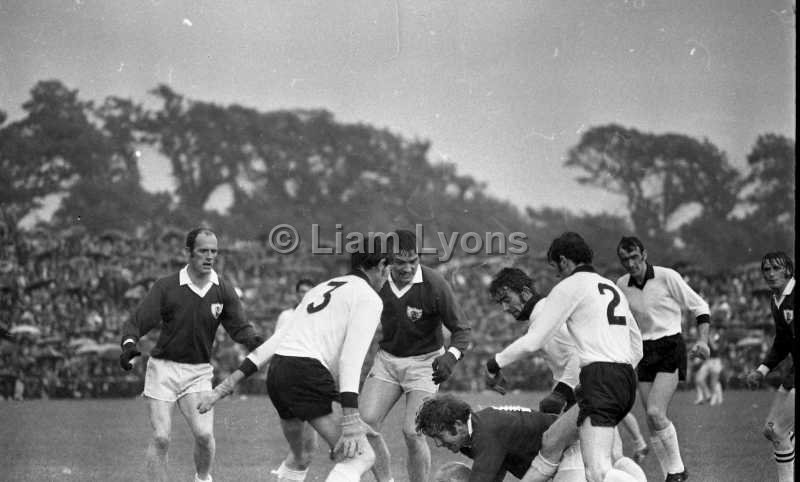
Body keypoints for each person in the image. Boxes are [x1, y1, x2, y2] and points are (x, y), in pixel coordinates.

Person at [196, 237, 394, 482]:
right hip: (306, 372)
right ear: (382, 265)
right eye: (390, 268)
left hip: (279, 373)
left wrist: (225, 386)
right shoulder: (369, 298)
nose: (389, 276)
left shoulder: (320, 288)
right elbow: (349, 361)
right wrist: (351, 418)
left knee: (302, 455)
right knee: (360, 457)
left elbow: (276, 341)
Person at [485, 232, 644, 482]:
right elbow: (637, 346)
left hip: (599, 379)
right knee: (579, 450)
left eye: (555, 268)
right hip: (621, 378)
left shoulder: (566, 290)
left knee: (597, 471)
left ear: (563, 260)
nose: (556, 275)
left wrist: (494, 364)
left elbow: (538, 343)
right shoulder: (610, 287)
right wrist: (616, 375)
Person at [118, 227, 265, 482]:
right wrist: (129, 345)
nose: (210, 256)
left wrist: (255, 341)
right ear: (188, 252)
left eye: (214, 251)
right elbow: (139, 321)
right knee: (161, 438)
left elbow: (240, 327)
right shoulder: (166, 286)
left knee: (204, 436)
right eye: (203, 251)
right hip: (163, 369)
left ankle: (202, 479)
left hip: (198, 372)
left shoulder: (222, 289)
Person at [360, 229, 472, 482]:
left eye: (413, 261)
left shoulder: (434, 283)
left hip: (425, 364)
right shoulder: (377, 281)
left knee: (413, 431)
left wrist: (451, 357)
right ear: (387, 260)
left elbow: (462, 329)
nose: (408, 268)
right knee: (365, 424)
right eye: (400, 262)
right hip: (387, 360)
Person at [616, 236, 711, 482]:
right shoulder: (621, 284)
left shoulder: (667, 276)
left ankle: (677, 470)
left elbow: (700, 307)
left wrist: (703, 340)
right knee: (651, 420)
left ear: (644, 255)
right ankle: (668, 474)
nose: (631, 264)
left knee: (656, 411)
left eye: (634, 257)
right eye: (625, 259)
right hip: (643, 350)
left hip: (670, 345)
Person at [416, 394, 645, 482]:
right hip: (555, 459)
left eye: (439, 436)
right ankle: (622, 469)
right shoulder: (472, 433)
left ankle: (626, 474)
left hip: (569, 449)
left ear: (458, 425)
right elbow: (497, 468)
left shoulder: (485, 434)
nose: (438, 444)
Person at [745, 251, 795, 482]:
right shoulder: (777, 299)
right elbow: (783, 342)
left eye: (776, 268)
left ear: (788, 270)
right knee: (771, 429)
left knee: (779, 431)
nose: (771, 273)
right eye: (767, 269)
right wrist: (761, 370)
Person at [269, 277, 318, 478]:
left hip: (312, 378)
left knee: (308, 444)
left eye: (309, 291)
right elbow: (276, 344)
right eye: (301, 291)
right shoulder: (286, 316)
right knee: (305, 443)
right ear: (296, 294)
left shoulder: (320, 316)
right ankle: (287, 473)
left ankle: (285, 473)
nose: (305, 295)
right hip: (290, 378)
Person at [693, 327, 724, 406]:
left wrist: (710, 339)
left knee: (713, 382)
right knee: (699, 379)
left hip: (715, 362)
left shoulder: (717, 337)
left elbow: (715, 348)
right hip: (707, 362)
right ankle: (708, 394)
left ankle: (717, 399)